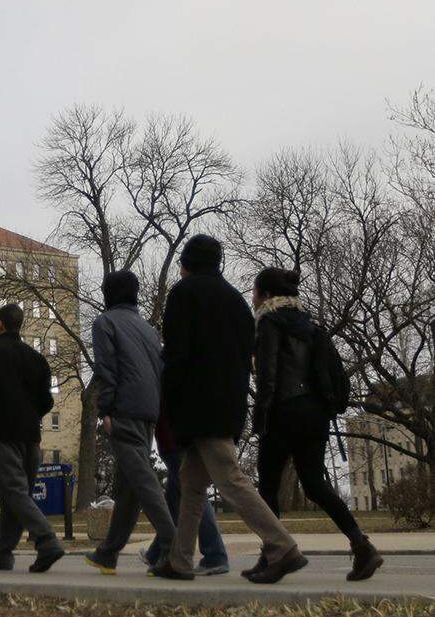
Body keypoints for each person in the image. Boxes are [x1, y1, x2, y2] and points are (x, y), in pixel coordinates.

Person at [151, 234, 306, 584]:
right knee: (191, 484)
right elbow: (244, 355)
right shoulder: (236, 302)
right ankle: (179, 560)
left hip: (196, 405)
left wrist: (171, 403)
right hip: (229, 403)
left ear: (187, 263)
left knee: (231, 479)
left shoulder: (183, 294)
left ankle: (283, 547)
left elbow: (175, 356)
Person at [251, 267, 383, 581]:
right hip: (315, 413)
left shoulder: (269, 322)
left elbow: (268, 377)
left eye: (255, 292)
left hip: (283, 411)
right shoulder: (311, 326)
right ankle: (361, 545)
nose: (252, 298)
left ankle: (275, 556)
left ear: (267, 295)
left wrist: (261, 418)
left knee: (268, 486)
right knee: (314, 484)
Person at [83, 271, 176, 575]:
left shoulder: (105, 323)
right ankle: (108, 553)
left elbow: (106, 368)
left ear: (108, 294)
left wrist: (106, 409)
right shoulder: (149, 329)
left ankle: (172, 541)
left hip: (123, 408)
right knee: (129, 487)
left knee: (143, 479)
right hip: (150, 409)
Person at [0, 303, 65, 573]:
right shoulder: (36, 359)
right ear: (20, 324)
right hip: (32, 436)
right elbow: (46, 400)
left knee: (13, 491)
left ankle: (46, 540)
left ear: (0, 324)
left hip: (4, 433)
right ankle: (2, 551)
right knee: (17, 494)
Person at [141, 413, 229, 575]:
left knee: (194, 494)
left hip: (175, 440)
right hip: (174, 439)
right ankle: (157, 552)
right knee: (175, 500)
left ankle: (215, 554)